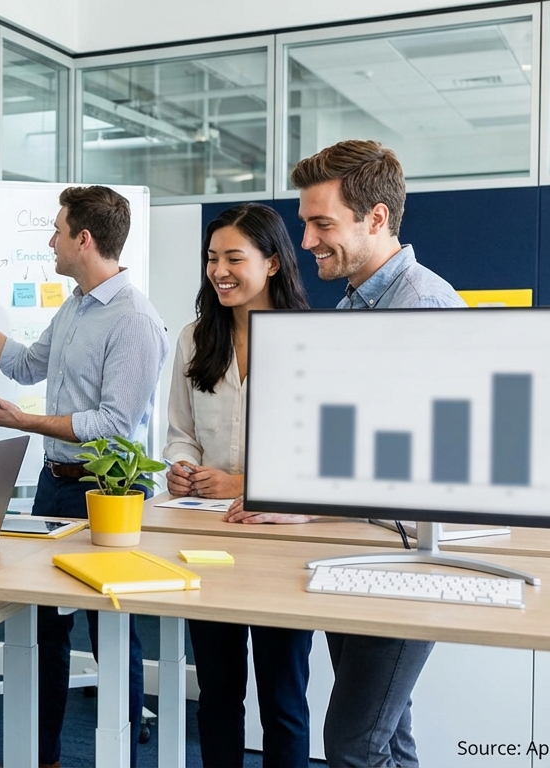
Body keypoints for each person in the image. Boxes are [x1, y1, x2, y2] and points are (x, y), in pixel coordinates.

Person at [227, 140, 466, 767]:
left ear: (377, 218)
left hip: (412, 557)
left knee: (354, 743)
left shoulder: (424, 304)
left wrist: (305, 507)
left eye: (321, 223)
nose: (304, 241)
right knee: (388, 735)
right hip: (367, 544)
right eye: (306, 222)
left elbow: (433, 462)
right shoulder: (357, 300)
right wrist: (296, 500)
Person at [0, 185, 167, 768]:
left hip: (109, 494)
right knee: (45, 627)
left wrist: (24, 420)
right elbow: (28, 364)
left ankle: (124, 755)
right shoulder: (77, 305)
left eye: (57, 230)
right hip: (55, 484)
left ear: (84, 239)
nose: (50, 241)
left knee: (111, 634)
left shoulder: (134, 319)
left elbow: (113, 425)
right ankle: (45, 756)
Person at [162, 203, 313, 768]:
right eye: (211, 258)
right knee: (219, 694)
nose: (218, 271)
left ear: (272, 263)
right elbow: (180, 432)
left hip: (279, 541)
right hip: (207, 539)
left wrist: (241, 481)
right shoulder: (195, 338)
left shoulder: (310, 341)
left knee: (283, 698)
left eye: (233, 258)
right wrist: (182, 468)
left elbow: (319, 458)